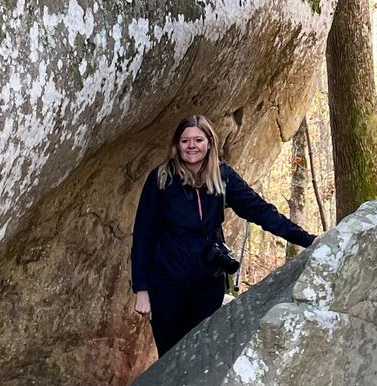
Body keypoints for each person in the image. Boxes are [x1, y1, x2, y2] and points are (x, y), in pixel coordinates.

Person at [131, 115, 315, 357]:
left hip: (208, 283)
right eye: (185, 140)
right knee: (172, 356)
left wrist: (307, 240)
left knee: (202, 354)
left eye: (198, 140)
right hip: (167, 285)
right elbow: (143, 234)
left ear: (209, 143)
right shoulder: (161, 179)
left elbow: (261, 211)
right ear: (176, 145)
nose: (191, 146)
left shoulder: (222, 176)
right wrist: (141, 290)